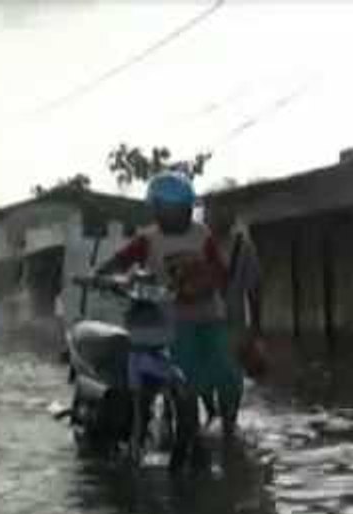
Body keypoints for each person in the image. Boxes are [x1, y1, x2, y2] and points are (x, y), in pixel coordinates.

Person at [93, 171, 242, 454]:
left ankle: (229, 429)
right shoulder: (148, 239)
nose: (174, 216)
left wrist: (206, 285)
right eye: (167, 210)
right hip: (172, 322)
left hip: (210, 317)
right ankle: (180, 426)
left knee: (229, 374)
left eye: (180, 210)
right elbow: (119, 261)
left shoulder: (203, 236)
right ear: (159, 210)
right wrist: (101, 274)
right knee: (185, 373)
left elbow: (222, 273)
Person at [204, 202, 263, 436]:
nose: (214, 216)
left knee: (231, 378)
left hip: (232, 323)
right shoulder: (198, 243)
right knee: (203, 375)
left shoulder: (242, 246)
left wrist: (256, 328)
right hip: (201, 320)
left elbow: (255, 288)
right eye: (211, 210)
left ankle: (228, 424)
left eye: (220, 210)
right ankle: (211, 414)